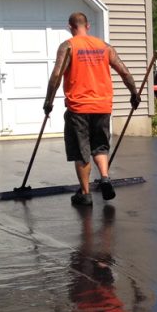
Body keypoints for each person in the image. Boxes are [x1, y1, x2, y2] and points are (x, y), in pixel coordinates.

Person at [44, 12, 139, 207]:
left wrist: (48, 101)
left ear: (70, 27)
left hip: (78, 107)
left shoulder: (68, 46)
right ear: (87, 26)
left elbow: (56, 75)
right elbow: (124, 71)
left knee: (81, 151)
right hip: (102, 105)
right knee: (100, 147)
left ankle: (85, 194)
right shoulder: (104, 47)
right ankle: (104, 178)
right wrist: (134, 93)